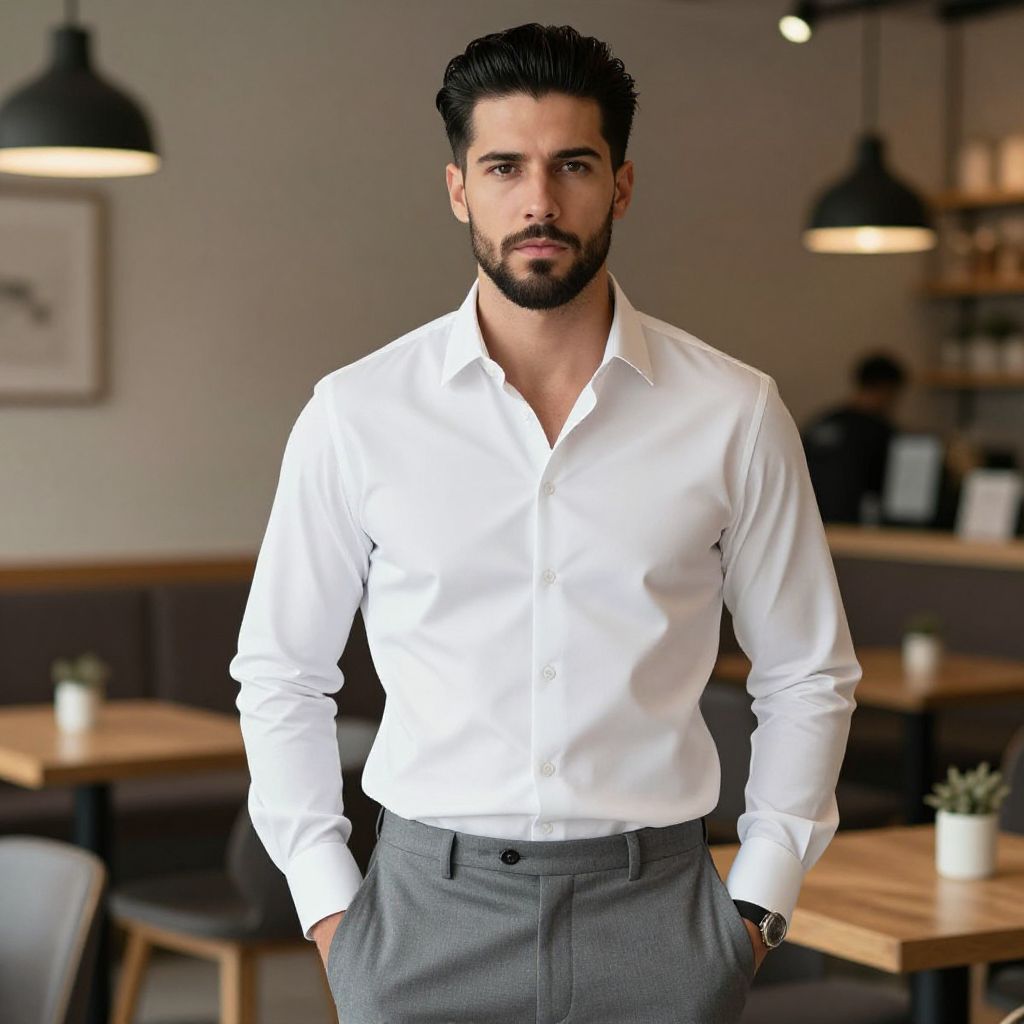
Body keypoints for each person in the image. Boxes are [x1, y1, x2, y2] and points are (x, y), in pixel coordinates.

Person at [229, 22, 861, 1024]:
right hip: (420, 921)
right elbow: (281, 671)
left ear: (620, 183)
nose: (538, 200)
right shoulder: (356, 413)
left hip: (661, 918)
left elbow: (808, 671)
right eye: (503, 166)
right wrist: (331, 916)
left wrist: (756, 908)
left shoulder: (733, 411)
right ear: (457, 189)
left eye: (572, 164)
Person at [801, 352, 909, 524]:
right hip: (854, 526)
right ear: (887, 390)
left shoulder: (821, 423)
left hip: (809, 524)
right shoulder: (881, 432)